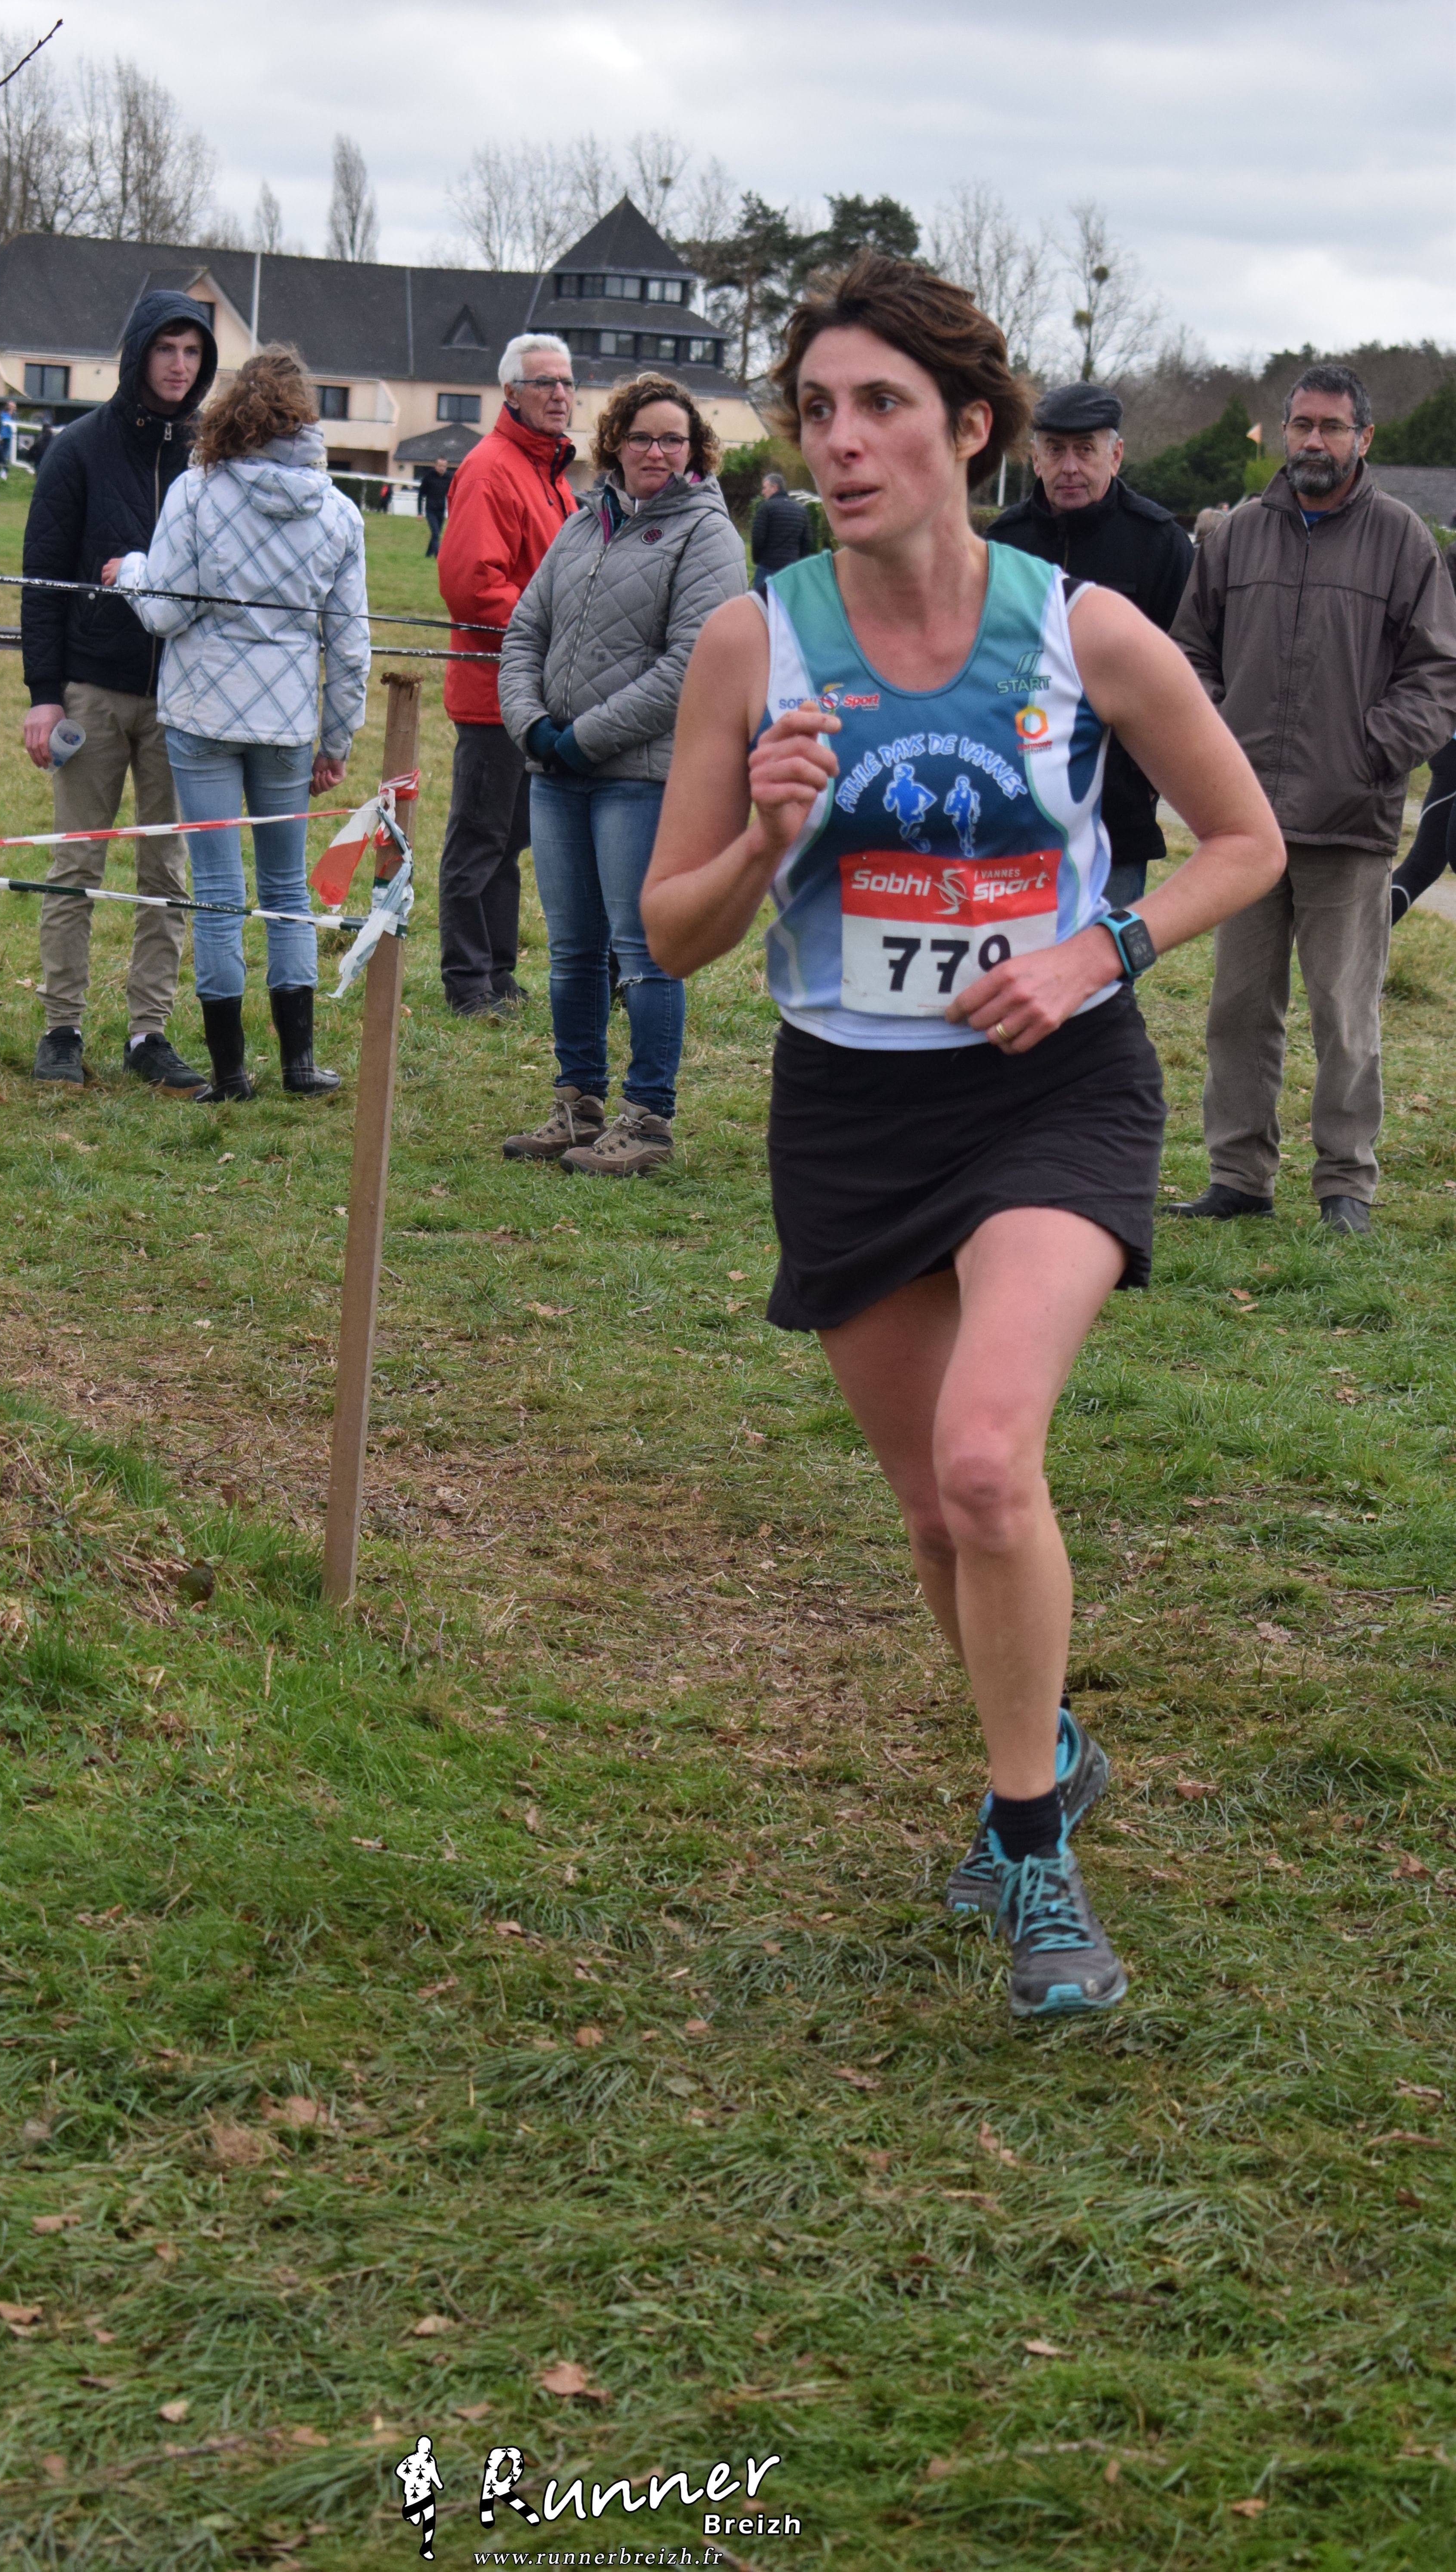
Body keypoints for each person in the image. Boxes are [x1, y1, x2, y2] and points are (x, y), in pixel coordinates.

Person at [639, 252, 1283, 2020]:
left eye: (883, 407)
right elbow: (672, 935)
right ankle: (1044, 1741)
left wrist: (1099, 948)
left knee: (991, 1458)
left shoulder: (1083, 629)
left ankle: (1030, 1849)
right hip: (851, 1105)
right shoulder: (753, 641)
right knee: (936, 1512)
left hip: (1052, 1082)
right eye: (817, 410)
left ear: (971, 428)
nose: (841, 442)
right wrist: (764, 839)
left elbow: (1245, 842)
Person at [1168, 364, 1456, 1234]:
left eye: (1332, 427)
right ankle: (1238, 1176)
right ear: (1284, 431)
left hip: (1348, 821)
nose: (1313, 441)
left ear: (1363, 439)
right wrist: (1216, 743)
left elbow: (1436, 670)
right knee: (1236, 1011)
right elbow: (1188, 654)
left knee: (1344, 1015)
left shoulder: (1402, 540)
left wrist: (1373, 752)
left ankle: (1344, 1185)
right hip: (1244, 825)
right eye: (1301, 425)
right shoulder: (1235, 537)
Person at [498, 372, 745, 1174]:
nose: (657, 452)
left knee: (643, 952)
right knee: (572, 951)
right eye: (643, 437)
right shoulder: (583, 522)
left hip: (639, 778)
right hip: (556, 769)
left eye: (674, 439)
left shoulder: (708, 536)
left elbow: (691, 665)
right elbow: (525, 631)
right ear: (616, 443)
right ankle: (578, 1105)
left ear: (696, 450)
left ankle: (647, 1120)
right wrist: (532, 725)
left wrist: (586, 738)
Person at [108, 346, 370, 1103]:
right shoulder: (340, 512)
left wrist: (130, 571)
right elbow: (350, 645)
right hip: (287, 722)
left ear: (229, 414)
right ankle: (300, 1065)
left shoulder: (196, 492)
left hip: (203, 714)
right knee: (287, 888)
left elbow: (164, 610)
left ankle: (229, 1075)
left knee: (219, 889)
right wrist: (335, 739)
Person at [20, 291, 217, 1092]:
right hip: (92, 692)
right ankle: (61, 1028)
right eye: (167, 348)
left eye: (193, 352)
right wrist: (45, 695)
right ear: (138, 352)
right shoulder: (77, 451)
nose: (180, 365)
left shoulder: (214, 460)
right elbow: (42, 582)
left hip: (184, 699)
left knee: (167, 872)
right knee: (77, 865)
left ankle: (149, 1033)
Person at [987, 384, 1193, 910]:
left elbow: (1188, 665)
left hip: (1115, 809)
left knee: (1105, 956)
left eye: (1085, 450)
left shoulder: (1159, 543)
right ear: (1035, 458)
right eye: (1055, 450)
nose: (1070, 467)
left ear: (1115, 455)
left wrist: (1147, 778)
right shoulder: (1003, 545)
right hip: (1015, 798)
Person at [436, 332, 576, 1017]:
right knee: (479, 838)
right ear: (511, 393)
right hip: (495, 691)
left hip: (535, 693)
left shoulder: (551, 473)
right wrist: (553, 630)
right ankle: (467, 980)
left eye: (568, 382)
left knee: (511, 841)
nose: (560, 394)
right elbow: (471, 586)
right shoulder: (492, 469)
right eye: (545, 382)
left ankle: (498, 972)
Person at [1392, 543, 1456, 922]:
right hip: (1449, 745)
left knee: (1423, 865)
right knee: (1424, 864)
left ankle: (1361, 950)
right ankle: (1359, 950)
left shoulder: (1440, 598)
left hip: (1445, 741)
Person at [750, 466, 815, 593]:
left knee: (761, 603)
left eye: (765, 488)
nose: (763, 492)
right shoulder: (801, 510)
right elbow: (807, 542)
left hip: (767, 567)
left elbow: (758, 538)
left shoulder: (766, 508)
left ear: (775, 488)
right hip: (791, 569)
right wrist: (798, 562)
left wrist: (758, 560)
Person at [418, 456, 450, 558]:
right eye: (440, 466)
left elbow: (451, 495)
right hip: (430, 510)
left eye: (444, 466)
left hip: (441, 510)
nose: (442, 468)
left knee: (436, 533)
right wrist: (419, 512)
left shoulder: (448, 479)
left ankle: (428, 555)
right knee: (436, 533)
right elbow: (421, 495)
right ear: (436, 466)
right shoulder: (429, 477)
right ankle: (438, 556)